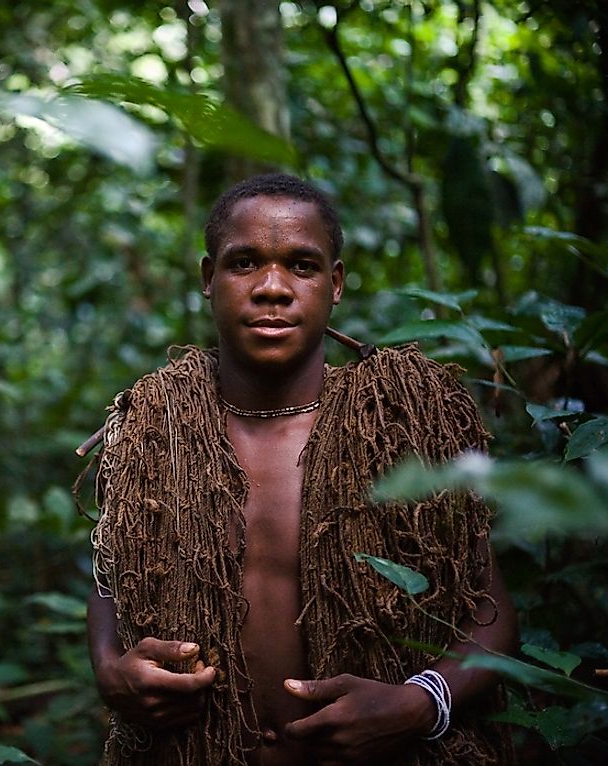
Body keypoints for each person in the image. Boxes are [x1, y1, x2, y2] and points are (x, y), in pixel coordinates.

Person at [82, 173, 517, 766]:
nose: (271, 288)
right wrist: (110, 668)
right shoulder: (156, 426)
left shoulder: (403, 423)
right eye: (244, 264)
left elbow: (491, 611)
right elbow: (111, 576)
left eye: (301, 266)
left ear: (334, 284)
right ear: (209, 280)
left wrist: (419, 704)